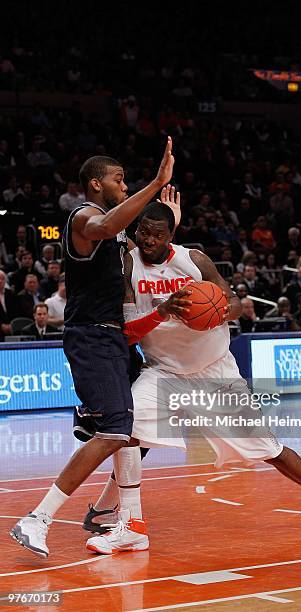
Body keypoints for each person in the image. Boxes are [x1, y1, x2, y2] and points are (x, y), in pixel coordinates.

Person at [84, 197, 301, 555]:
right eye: (143, 233)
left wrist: (215, 312)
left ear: (170, 235)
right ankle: (132, 526)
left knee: (269, 449)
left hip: (215, 374)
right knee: (126, 431)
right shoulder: (129, 266)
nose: (148, 240)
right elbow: (128, 332)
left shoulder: (194, 260)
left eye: (156, 234)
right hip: (164, 372)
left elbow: (235, 303)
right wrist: (163, 313)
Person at [10, 137, 176, 558]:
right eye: (118, 179)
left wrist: (169, 221)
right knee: (116, 430)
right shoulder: (84, 216)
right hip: (91, 336)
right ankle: (37, 519)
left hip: (116, 337)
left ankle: (129, 523)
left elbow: (150, 258)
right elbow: (105, 227)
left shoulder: (119, 233)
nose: (124, 184)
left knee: (142, 425)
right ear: (96, 184)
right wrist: (155, 184)